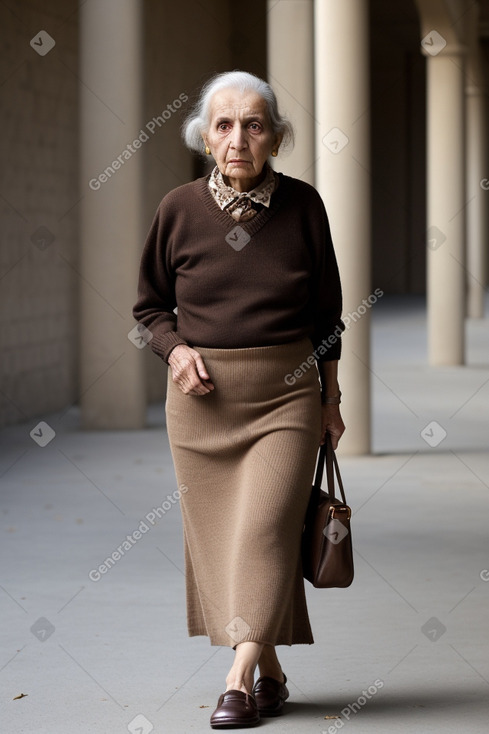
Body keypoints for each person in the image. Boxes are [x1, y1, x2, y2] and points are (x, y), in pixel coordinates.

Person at [133, 70, 345, 729]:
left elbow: (328, 317)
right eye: (222, 125)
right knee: (230, 542)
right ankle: (272, 673)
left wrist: (330, 400)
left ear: (275, 137)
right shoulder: (176, 208)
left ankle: (234, 679)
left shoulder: (304, 207)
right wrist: (175, 350)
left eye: (254, 125)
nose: (237, 139)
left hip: (286, 398)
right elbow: (148, 309)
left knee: (263, 529)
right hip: (201, 407)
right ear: (204, 136)